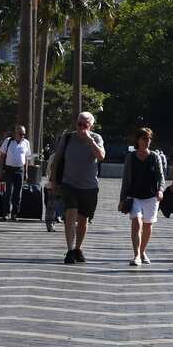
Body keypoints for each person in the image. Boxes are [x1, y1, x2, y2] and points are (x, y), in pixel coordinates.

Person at [51, 112, 107, 265]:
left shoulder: (96, 138)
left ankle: (78, 248)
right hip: (69, 184)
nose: (81, 128)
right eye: (79, 124)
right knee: (70, 213)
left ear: (91, 126)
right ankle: (69, 250)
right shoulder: (68, 138)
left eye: (85, 125)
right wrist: (53, 180)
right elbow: (57, 159)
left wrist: (89, 140)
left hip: (89, 186)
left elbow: (101, 156)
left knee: (83, 220)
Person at [119, 128, 165, 266]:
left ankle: (142, 250)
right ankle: (137, 255)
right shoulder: (131, 157)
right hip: (135, 196)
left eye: (149, 139)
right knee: (136, 222)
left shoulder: (155, 156)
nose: (147, 141)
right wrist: (122, 199)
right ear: (138, 140)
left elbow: (161, 177)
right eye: (144, 138)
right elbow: (125, 180)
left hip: (151, 197)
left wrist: (161, 190)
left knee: (147, 225)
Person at [0, 126, 30, 219]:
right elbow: (2, 155)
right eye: (20, 134)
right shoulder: (8, 141)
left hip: (20, 170)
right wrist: (0, 169)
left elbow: (26, 158)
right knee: (8, 192)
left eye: (24, 134)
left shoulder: (26, 143)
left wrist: (26, 171)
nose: (22, 136)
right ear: (15, 133)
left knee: (18, 193)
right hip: (9, 169)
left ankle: (15, 213)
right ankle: (6, 213)